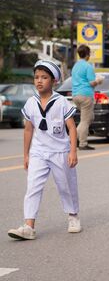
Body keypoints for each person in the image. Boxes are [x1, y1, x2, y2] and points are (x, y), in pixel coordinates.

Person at [8, 60, 80, 240]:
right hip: (39, 152)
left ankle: (73, 216)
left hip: (60, 152)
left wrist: (73, 151)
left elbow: (71, 128)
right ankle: (28, 226)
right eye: (36, 77)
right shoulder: (31, 103)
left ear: (53, 81)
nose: (39, 81)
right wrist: (26, 155)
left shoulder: (61, 102)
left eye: (44, 77)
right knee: (32, 186)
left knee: (65, 186)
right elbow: (28, 129)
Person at [71, 44, 103, 150]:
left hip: (76, 95)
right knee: (85, 120)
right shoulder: (88, 66)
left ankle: (75, 140)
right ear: (88, 54)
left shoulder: (75, 66)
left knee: (89, 118)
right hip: (85, 95)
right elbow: (92, 83)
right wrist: (99, 80)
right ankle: (82, 143)